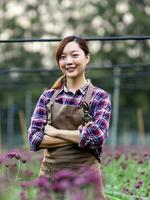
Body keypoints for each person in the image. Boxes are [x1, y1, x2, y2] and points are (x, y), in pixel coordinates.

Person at [28, 35, 111, 198]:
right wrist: (79, 136)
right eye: (62, 57)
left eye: (74, 55)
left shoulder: (100, 97)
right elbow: (34, 139)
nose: (69, 62)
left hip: (86, 182)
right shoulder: (48, 97)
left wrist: (55, 132)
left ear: (87, 58)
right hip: (52, 181)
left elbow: (97, 137)